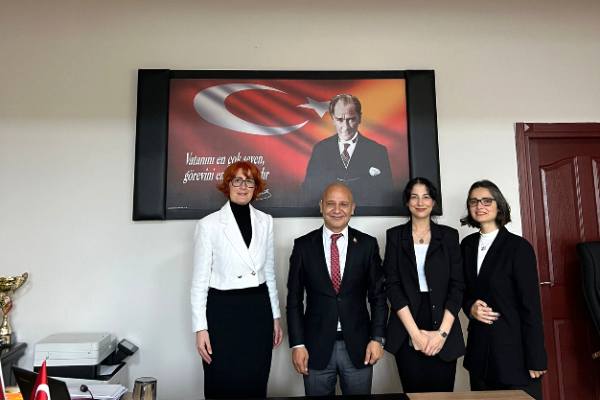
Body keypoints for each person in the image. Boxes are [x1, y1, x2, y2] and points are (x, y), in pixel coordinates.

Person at [191, 161, 283, 399]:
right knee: (221, 382)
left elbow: (269, 273)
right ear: (228, 185)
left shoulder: (266, 221)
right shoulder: (208, 225)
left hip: (258, 310)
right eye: (237, 181)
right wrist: (200, 328)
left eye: (249, 181)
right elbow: (199, 283)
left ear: (255, 187)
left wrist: (275, 317)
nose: (243, 186)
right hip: (223, 313)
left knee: (255, 382)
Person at [286, 182, 388, 396]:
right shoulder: (303, 246)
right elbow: (294, 300)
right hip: (314, 348)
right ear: (321, 206)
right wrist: (297, 344)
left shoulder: (367, 245)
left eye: (344, 204)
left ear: (353, 208)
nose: (337, 209)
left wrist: (377, 338)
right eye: (331, 203)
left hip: (360, 347)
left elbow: (378, 297)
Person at [460, 180, 547, 400]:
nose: (479, 206)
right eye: (473, 201)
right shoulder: (466, 245)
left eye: (486, 200)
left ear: (499, 205)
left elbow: (531, 307)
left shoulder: (519, 247)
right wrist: (470, 307)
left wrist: (536, 358)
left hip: (514, 354)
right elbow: (461, 290)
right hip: (479, 353)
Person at [382, 177, 465, 392]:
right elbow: (392, 285)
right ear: (407, 202)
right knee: (413, 392)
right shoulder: (395, 236)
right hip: (407, 320)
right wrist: (415, 334)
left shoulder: (449, 236)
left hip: (444, 319)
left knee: (443, 394)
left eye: (426, 197)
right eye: (414, 197)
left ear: (433, 202)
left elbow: (457, 286)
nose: (420, 202)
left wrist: (442, 334)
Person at [302, 94, 394, 207]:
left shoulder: (378, 152)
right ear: (333, 119)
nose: (345, 127)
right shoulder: (320, 149)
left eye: (351, 119)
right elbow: (308, 190)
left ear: (360, 118)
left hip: (366, 215)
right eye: (340, 120)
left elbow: (387, 194)